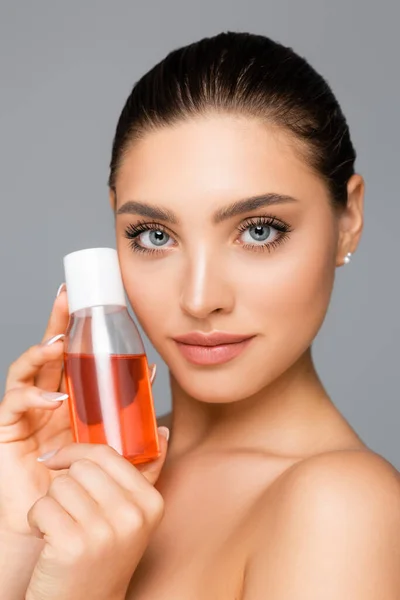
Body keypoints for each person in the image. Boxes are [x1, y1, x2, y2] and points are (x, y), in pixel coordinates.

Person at [0, 30, 399, 600]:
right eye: (155, 235)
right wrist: (16, 540)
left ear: (348, 219)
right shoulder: (82, 480)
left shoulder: (342, 507)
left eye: (260, 230)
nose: (199, 297)